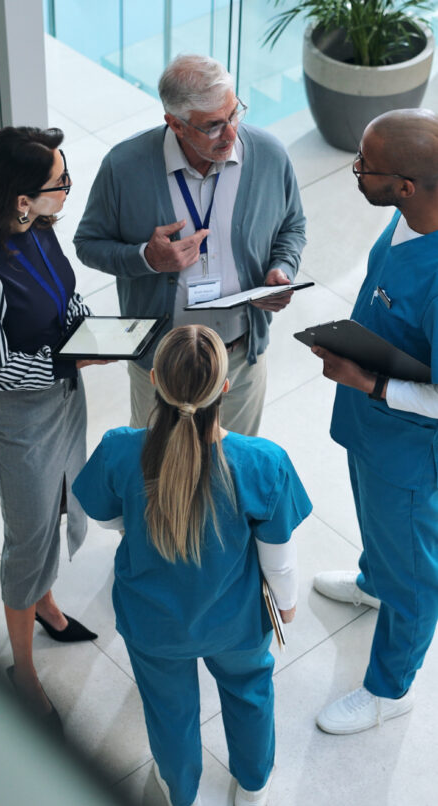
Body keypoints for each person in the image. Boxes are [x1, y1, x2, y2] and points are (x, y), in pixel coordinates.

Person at [73, 324, 312, 806]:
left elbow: (105, 517)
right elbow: (279, 560)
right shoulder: (264, 462)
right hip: (237, 623)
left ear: (155, 380)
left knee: (169, 710)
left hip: (153, 623)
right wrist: (285, 606)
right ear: (225, 387)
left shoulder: (119, 449)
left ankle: (180, 790)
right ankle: (253, 786)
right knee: (249, 693)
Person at [0, 126, 107, 728]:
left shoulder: (40, 231)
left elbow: (66, 300)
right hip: (23, 420)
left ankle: (46, 605)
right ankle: (24, 671)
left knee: (58, 503)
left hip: (64, 399)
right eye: (59, 181)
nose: (68, 188)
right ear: (21, 198)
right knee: (28, 537)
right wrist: (67, 360)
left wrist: (94, 332)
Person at [74, 53, 306, 434]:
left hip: (239, 361)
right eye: (213, 126)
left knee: (233, 463)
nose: (230, 134)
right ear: (175, 124)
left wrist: (282, 268)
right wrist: (146, 258)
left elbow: (292, 226)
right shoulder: (123, 167)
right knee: (156, 463)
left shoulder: (268, 155)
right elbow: (88, 243)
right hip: (160, 364)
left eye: (234, 113)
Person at [311, 109, 438, 735]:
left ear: (406, 186)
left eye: (366, 166)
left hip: (407, 450)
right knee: (373, 520)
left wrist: (372, 384)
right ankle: (372, 582)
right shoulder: (410, 216)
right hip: (370, 424)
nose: (356, 170)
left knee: (415, 577)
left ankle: (391, 690)